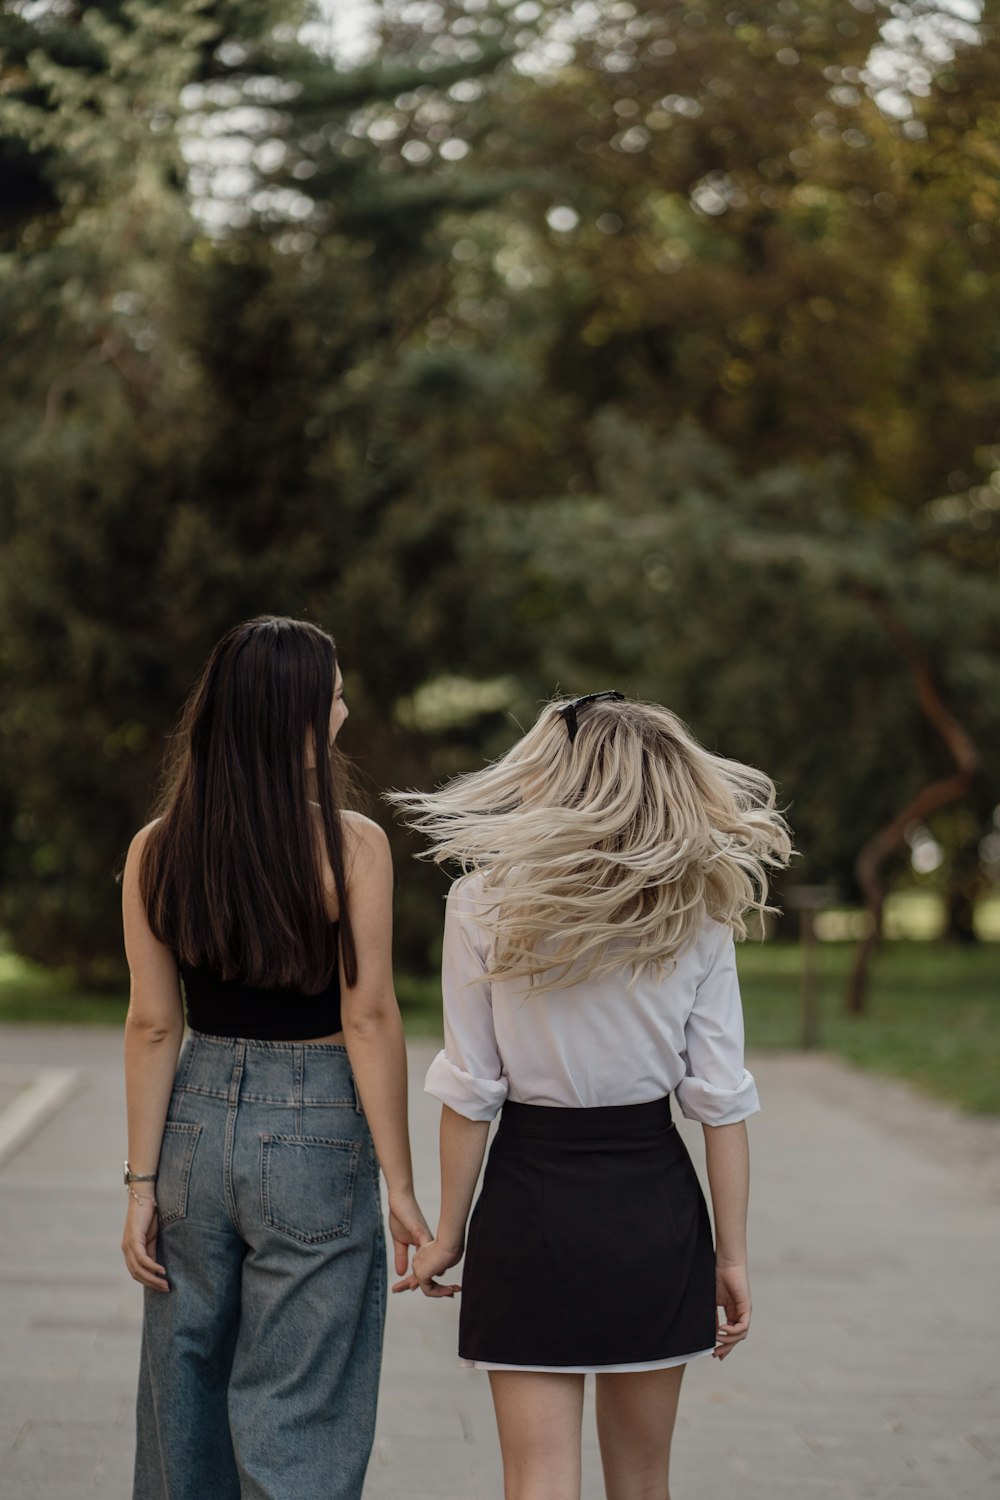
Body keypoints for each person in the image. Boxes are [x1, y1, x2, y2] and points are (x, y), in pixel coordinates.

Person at [390, 691, 792, 1500]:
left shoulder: (482, 903)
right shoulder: (700, 916)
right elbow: (720, 1103)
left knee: (536, 1479)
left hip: (527, 1207)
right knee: (643, 1484)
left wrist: (447, 1234)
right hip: (654, 1211)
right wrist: (734, 1255)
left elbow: (472, 1091)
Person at [120, 615, 429, 1500]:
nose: (344, 709)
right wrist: (401, 1186)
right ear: (294, 720)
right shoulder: (352, 845)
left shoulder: (156, 848)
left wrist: (140, 1187)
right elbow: (367, 1015)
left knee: (184, 1398)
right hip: (319, 1133)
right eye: (333, 696)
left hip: (191, 1126)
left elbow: (152, 1024)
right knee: (302, 1412)